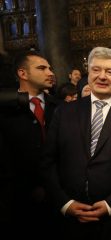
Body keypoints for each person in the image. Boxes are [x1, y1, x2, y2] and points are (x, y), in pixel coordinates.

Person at [41, 47, 111, 239]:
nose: (102, 76)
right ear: (89, 73)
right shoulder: (64, 112)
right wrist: (64, 203)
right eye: (96, 70)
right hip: (67, 217)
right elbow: (48, 159)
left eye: (110, 72)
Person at [0, 50, 59, 238]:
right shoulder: (4, 110)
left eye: (50, 68)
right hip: (16, 201)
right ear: (22, 73)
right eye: (42, 68)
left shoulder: (60, 108)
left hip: (58, 196)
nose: (50, 72)